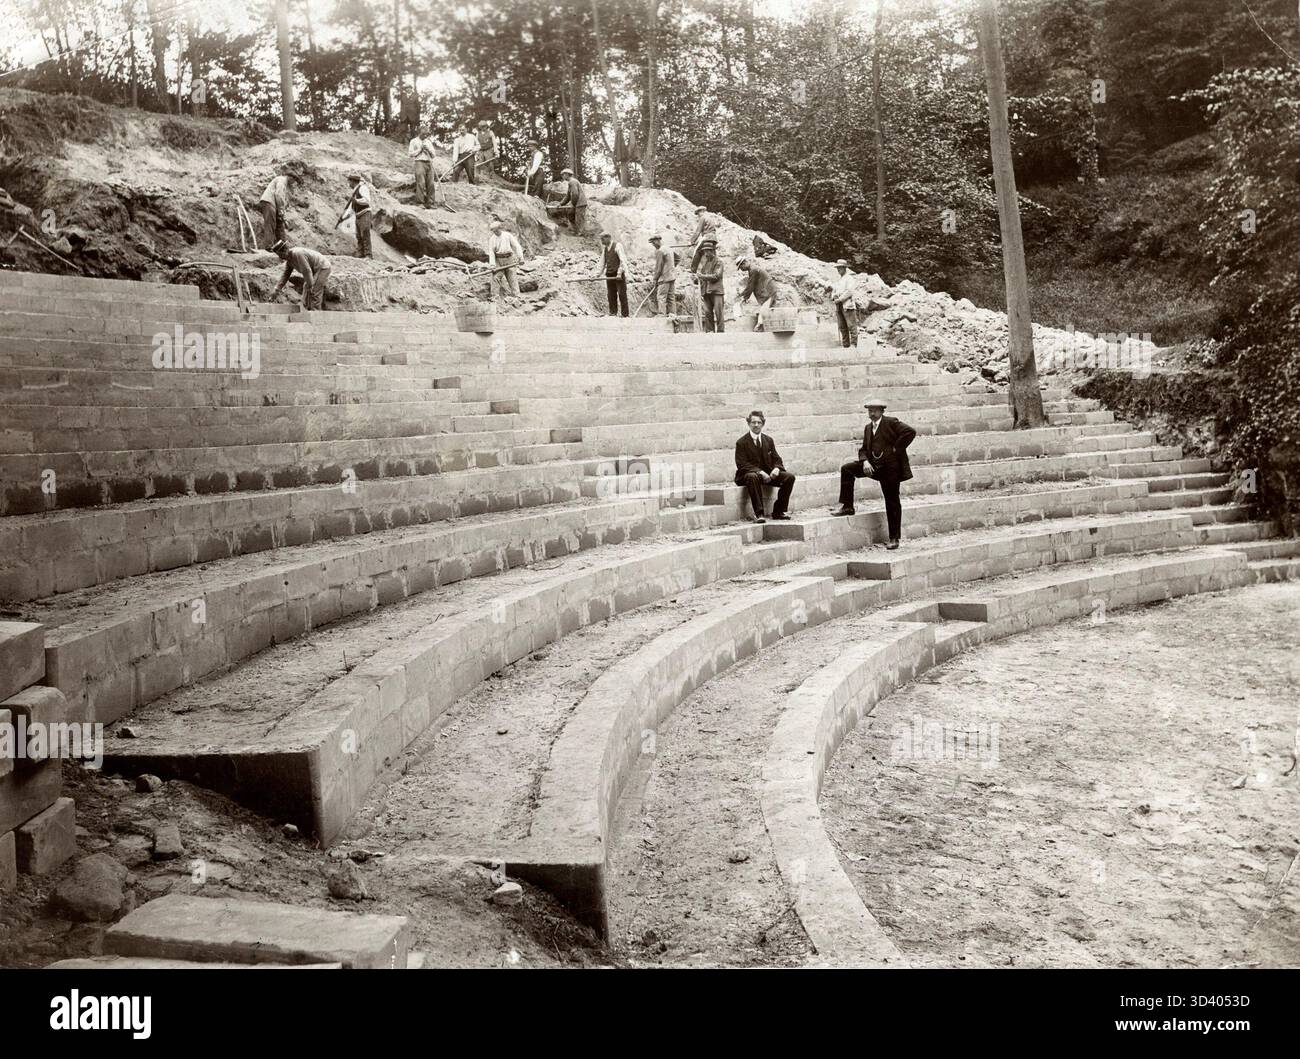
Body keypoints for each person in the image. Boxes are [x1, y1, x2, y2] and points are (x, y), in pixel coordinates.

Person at [831, 399, 917, 550]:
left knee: (892, 501)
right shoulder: (867, 428)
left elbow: (910, 432)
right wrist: (865, 461)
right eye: (869, 410)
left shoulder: (891, 422)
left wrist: (896, 449)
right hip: (873, 467)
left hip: (890, 469)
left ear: (882, 411)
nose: (871, 413)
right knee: (847, 469)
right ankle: (847, 506)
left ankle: (894, 538)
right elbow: (864, 449)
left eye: (875, 410)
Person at [734, 411, 795, 524]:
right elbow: (741, 464)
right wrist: (760, 472)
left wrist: (777, 468)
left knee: (789, 477)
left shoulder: (768, 440)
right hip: (748, 474)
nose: (756, 425)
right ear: (748, 424)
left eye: (759, 422)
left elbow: (777, 458)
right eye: (753, 422)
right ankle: (759, 514)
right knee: (752, 476)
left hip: (767, 474)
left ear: (763, 424)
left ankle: (778, 512)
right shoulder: (741, 442)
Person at [271, 240, 332, 311]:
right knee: (306, 290)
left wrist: (311, 285)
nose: (280, 257)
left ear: (285, 250)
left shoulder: (297, 254)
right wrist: (277, 289)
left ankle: (315, 313)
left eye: (280, 255)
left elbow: (306, 270)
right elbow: (286, 275)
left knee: (314, 290)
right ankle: (307, 311)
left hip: (322, 267)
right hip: (313, 270)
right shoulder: (289, 260)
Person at [736, 256, 778, 330]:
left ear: (744, 263)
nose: (741, 270)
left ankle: (759, 326)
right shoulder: (752, 269)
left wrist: (744, 297)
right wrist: (743, 294)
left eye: (741, 267)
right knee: (767, 308)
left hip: (769, 290)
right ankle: (763, 326)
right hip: (768, 290)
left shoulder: (753, 270)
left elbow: (751, 285)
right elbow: (750, 285)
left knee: (764, 308)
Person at [486, 219, 524, 299]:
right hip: (498, 260)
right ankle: (494, 297)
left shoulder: (507, 235)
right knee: (496, 277)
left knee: (512, 277)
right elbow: (491, 252)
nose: (495, 233)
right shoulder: (492, 239)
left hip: (509, 259)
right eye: (493, 231)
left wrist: (520, 257)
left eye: (496, 231)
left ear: (500, 228)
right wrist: (492, 265)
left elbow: (516, 246)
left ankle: (517, 296)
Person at [694, 237, 725, 333]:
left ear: (712, 251)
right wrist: (696, 279)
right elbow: (703, 278)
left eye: (707, 251)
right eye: (705, 252)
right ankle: (710, 331)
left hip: (716, 291)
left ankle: (720, 332)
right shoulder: (705, 264)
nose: (706, 254)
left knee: (718, 312)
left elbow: (716, 276)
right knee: (708, 313)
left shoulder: (719, 262)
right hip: (706, 292)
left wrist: (702, 276)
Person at [408, 123, 439, 208]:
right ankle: (419, 202)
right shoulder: (413, 141)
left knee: (431, 183)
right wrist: (420, 150)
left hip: (429, 162)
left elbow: (434, 155)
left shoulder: (428, 142)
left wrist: (428, 149)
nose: (425, 135)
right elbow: (410, 154)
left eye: (426, 134)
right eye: (423, 134)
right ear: (419, 132)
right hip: (419, 162)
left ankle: (431, 203)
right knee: (421, 182)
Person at [342, 173, 372, 258]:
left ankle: (368, 255)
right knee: (359, 236)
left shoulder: (363, 188)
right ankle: (361, 254)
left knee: (365, 233)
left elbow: (366, 201)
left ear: (353, 181)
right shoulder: (355, 191)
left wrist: (357, 201)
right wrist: (344, 217)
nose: (349, 184)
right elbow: (352, 207)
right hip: (358, 215)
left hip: (365, 213)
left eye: (349, 182)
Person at [599, 232, 629, 317]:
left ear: (608, 237)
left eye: (602, 239)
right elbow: (601, 263)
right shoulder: (605, 249)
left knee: (622, 294)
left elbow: (623, 260)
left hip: (618, 274)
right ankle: (613, 313)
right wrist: (596, 275)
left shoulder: (617, 246)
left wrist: (620, 272)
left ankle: (625, 314)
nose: (601, 241)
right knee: (611, 295)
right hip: (609, 274)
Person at [831, 258, 859, 348]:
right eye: (837, 268)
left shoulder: (849, 278)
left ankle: (854, 344)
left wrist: (840, 299)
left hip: (847, 305)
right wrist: (834, 296)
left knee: (851, 325)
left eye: (840, 268)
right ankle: (846, 344)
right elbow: (834, 290)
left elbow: (849, 291)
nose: (838, 270)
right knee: (842, 326)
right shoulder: (839, 280)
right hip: (839, 305)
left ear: (844, 268)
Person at [258, 173, 290, 246]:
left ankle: (282, 247)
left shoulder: (284, 184)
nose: (293, 184)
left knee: (279, 225)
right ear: (290, 178)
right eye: (294, 181)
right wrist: (281, 211)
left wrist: (283, 216)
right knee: (270, 224)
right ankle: (268, 246)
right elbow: (278, 195)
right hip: (269, 202)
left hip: (274, 204)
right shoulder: (282, 180)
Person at [648, 234, 676, 316]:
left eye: (653, 243)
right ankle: (673, 315)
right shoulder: (669, 249)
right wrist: (670, 267)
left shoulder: (660, 251)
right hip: (672, 276)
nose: (653, 245)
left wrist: (655, 278)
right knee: (671, 297)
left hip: (664, 278)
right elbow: (678, 258)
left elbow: (658, 267)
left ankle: (661, 315)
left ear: (657, 241)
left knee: (661, 297)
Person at [688, 205, 718, 272]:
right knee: (712, 254)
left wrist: (691, 241)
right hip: (714, 238)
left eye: (698, 214)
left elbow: (698, 231)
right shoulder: (711, 218)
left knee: (697, 251)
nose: (698, 216)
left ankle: (693, 269)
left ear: (701, 211)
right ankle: (715, 269)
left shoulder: (703, 218)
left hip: (707, 237)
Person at [557, 168, 587, 232]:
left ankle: (581, 233)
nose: (562, 176)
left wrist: (573, 204)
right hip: (577, 203)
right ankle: (575, 230)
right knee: (570, 214)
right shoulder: (570, 183)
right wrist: (561, 203)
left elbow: (575, 194)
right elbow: (568, 196)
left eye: (563, 174)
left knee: (579, 218)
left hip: (580, 203)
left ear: (567, 174)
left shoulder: (572, 182)